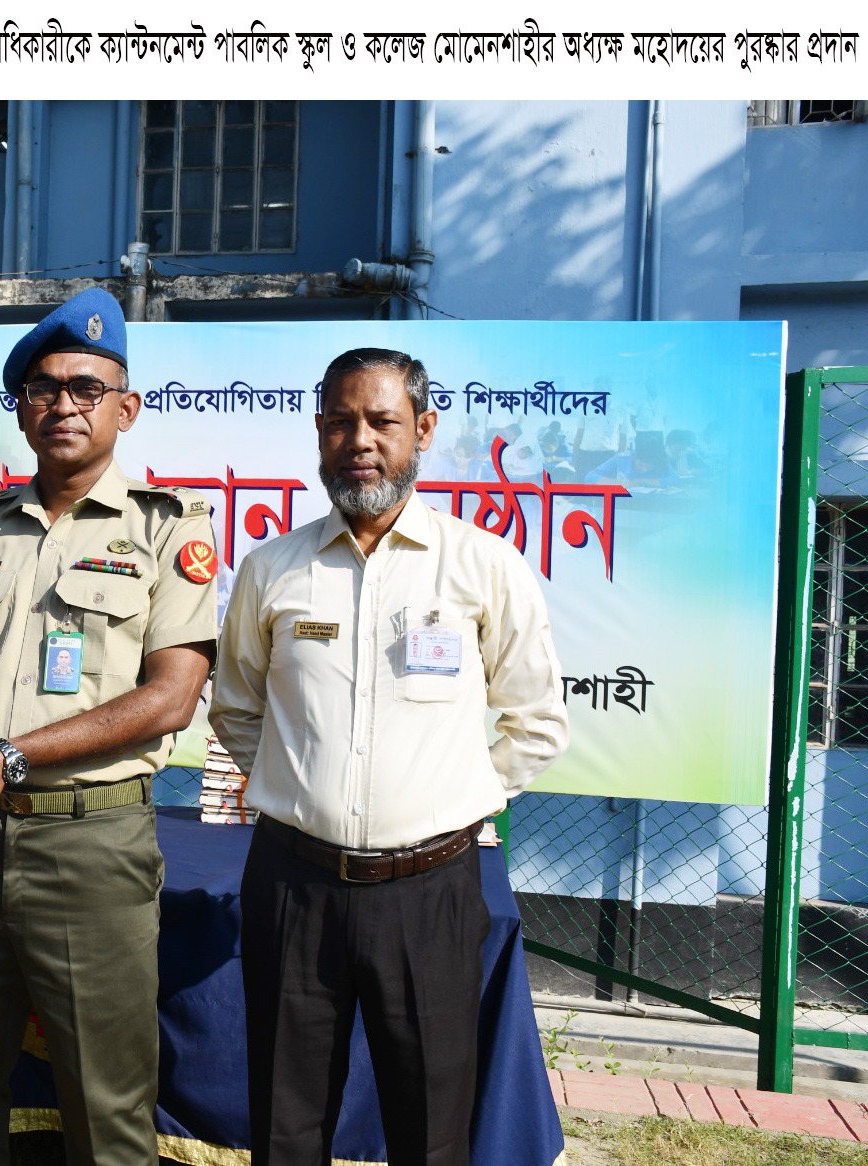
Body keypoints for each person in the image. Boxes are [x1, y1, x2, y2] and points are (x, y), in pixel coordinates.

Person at [208, 347, 569, 1166]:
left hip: (431, 889)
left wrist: (451, 795)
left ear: (424, 430)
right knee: (285, 1124)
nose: (359, 440)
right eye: (340, 422)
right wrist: (302, 785)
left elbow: (538, 722)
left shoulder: (483, 566)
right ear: (319, 434)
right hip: (294, 885)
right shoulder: (273, 568)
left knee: (432, 1125)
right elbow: (235, 708)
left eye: (381, 421)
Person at [0, 288, 219, 1166]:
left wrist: (12, 756)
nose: (64, 405)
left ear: (125, 409)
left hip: (90, 844)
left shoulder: (168, 530)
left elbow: (170, 698)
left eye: (87, 388)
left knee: (106, 1097)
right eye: (44, 388)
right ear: (21, 408)